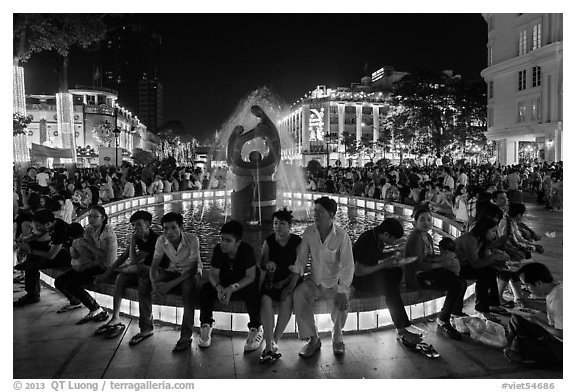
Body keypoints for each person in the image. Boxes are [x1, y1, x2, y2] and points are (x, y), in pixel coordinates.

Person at [288, 197, 354, 357]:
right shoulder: (309, 232)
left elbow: (348, 265)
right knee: (299, 294)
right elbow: (302, 259)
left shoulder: (342, 236)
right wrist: (294, 278)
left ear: (331, 214)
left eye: (320, 211)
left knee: (341, 301)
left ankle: (337, 338)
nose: (315, 214)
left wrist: (342, 289)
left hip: (333, 283)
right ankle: (313, 339)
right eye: (315, 210)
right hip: (314, 281)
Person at [352, 218, 422, 346]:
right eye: (394, 239)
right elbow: (359, 271)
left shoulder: (377, 238)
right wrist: (384, 264)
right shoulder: (368, 240)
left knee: (396, 271)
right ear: (386, 234)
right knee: (390, 288)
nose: (394, 242)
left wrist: (390, 255)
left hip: (368, 274)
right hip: (359, 280)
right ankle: (401, 329)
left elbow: (373, 257)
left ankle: (392, 296)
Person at [95, 211, 159, 344]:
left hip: (154, 272)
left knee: (143, 284)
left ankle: (146, 327)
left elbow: (133, 261)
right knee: (121, 277)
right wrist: (108, 273)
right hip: (140, 269)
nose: (136, 228)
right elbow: (124, 256)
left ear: (148, 224)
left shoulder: (154, 239)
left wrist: (133, 241)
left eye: (139, 225)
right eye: (134, 225)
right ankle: (116, 317)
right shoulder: (138, 237)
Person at [198, 220, 263, 351]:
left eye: (228, 241)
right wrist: (219, 288)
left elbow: (251, 277)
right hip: (225, 283)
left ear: (238, 242)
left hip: (243, 284)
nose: (223, 243)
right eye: (221, 239)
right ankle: (206, 324)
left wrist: (232, 288)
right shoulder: (218, 250)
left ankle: (256, 327)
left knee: (253, 291)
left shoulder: (246, 251)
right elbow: (213, 274)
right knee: (205, 289)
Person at [405, 204, 467, 340]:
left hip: (428, 272)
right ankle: (443, 320)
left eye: (429, 219)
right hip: (418, 277)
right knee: (455, 284)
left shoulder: (427, 236)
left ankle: (455, 313)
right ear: (414, 222)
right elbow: (417, 265)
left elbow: (429, 257)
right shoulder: (415, 238)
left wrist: (441, 258)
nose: (426, 223)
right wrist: (441, 263)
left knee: (461, 281)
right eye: (422, 219)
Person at [54, 206, 116, 323]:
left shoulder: (107, 234)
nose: (91, 219)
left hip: (104, 266)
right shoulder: (89, 229)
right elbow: (85, 251)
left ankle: (96, 308)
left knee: (72, 284)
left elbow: (104, 257)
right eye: (89, 216)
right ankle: (75, 301)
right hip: (91, 263)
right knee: (59, 281)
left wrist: (87, 247)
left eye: (95, 216)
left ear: (103, 218)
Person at [150, 212, 202, 352]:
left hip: (191, 274)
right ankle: (146, 326)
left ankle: (186, 335)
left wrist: (169, 285)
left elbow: (192, 270)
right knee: (146, 283)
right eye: (166, 228)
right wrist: (155, 284)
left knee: (188, 290)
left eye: (173, 227)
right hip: (173, 271)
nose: (169, 232)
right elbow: (154, 266)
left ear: (181, 227)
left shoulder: (192, 240)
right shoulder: (161, 240)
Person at [258, 208, 302, 363]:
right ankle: (269, 343)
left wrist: (290, 286)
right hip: (273, 279)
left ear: (289, 225)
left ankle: (274, 342)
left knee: (287, 299)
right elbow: (262, 263)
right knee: (265, 299)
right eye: (275, 223)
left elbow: (300, 267)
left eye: (282, 223)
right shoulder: (269, 241)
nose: (277, 226)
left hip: (291, 279)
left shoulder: (297, 242)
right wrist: (266, 264)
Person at [503, 262, 562, 367]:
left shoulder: (559, 299)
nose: (527, 289)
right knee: (517, 319)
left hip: (560, 346)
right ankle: (516, 348)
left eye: (527, 285)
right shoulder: (554, 289)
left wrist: (538, 321)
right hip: (552, 335)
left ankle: (521, 351)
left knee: (520, 343)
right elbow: (554, 317)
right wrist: (533, 310)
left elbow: (562, 334)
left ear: (538, 283)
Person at [14, 210, 75, 307]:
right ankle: (32, 293)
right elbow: (38, 233)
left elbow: (51, 255)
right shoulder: (54, 222)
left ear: (48, 224)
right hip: (58, 251)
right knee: (32, 256)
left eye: (38, 226)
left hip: (68, 257)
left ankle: (32, 295)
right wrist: (25, 239)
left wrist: (30, 250)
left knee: (32, 263)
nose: (36, 228)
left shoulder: (61, 231)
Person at [455, 218, 510, 320]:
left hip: (463, 265)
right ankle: (482, 308)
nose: (495, 234)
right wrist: (494, 258)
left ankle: (492, 304)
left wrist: (497, 257)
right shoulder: (470, 239)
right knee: (482, 274)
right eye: (493, 231)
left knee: (490, 270)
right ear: (484, 230)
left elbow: (481, 257)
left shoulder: (479, 239)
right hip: (455, 268)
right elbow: (476, 264)